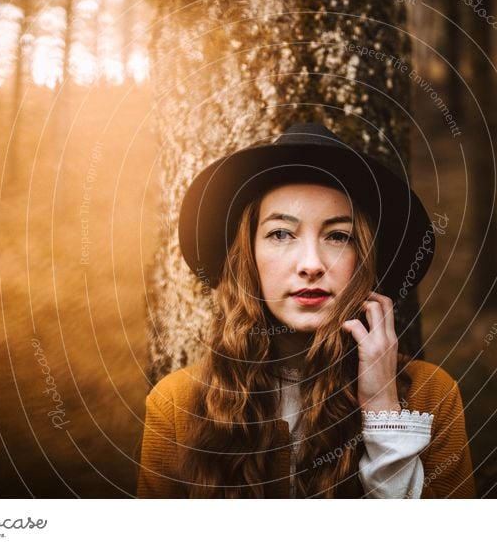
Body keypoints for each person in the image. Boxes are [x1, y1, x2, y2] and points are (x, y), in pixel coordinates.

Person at [137, 122, 475, 498]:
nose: (311, 264)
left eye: (338, 236)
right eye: (281, 233)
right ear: (248, 257)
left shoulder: (431, 396)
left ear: (364, 260)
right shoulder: (176, 405)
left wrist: (384, 411)